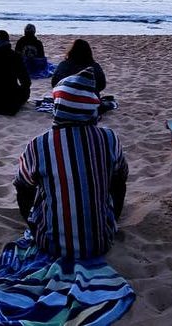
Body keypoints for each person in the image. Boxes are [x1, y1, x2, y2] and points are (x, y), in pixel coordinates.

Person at [14, 67, 128, 258]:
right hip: (102, 243)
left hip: (50, 244)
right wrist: (113, 218)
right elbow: (120, 181)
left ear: (58, 107)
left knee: (35, 189)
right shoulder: (110, 138)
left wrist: (30, 220)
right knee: (111, 181)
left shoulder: (39, 144)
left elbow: (22, 187)